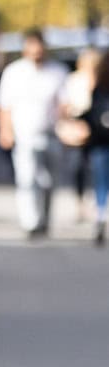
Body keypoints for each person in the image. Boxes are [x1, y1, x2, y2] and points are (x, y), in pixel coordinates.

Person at [0, 30, 68, 239]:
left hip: (51, 132)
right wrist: (5, 130)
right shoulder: (14, 72)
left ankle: (44, 218)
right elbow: (5, 105)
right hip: (24, 134)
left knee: (49, 181)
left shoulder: (57, 72)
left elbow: (64, 103)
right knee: (27, 178)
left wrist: (66, 126)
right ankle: (30, 221)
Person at [64, 49, 109, 245]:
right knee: (96, 178)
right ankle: (99, 214)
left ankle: (101, 214)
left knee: (101, 180)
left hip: (98, 139)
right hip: (97, 140)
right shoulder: (92, 85)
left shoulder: (97, 86)